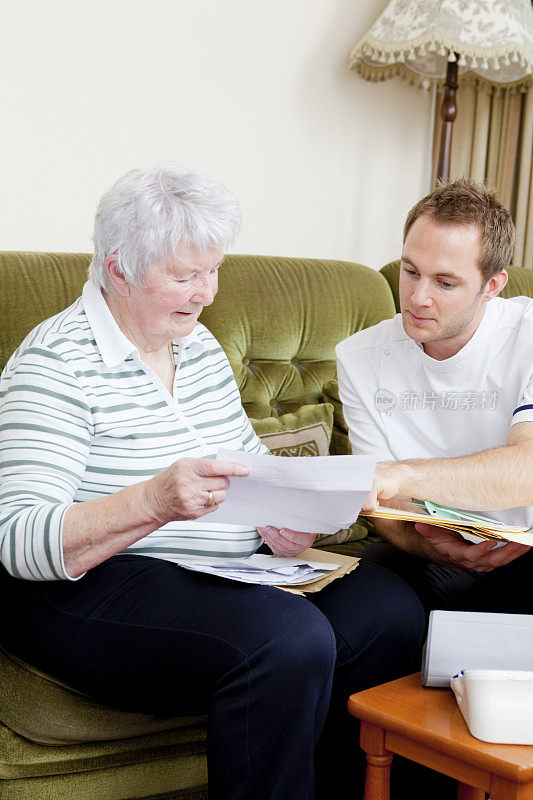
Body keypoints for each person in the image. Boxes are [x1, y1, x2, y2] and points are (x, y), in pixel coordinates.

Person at [0, 163, 424, 800]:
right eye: (184, 275)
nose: (206, 293)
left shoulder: (195, 347)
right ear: (118, 269)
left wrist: (281, 516)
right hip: (94, 584)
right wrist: (153, 500)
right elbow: (19, 540)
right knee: (285, 639)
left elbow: (246, 459)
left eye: (213, 270)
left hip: (219, 574)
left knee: (388, 611)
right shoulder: (55, 363)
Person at [337, 178, 533, 615]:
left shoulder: (528, 337)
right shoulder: (359, 357)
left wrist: (401, 475)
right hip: (437, 550)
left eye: (445, 282)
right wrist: (437, 549)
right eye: (411, 272)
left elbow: (528, 470)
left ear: (492, 285)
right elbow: (382, 504)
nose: (417, 297)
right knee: (350, 611)